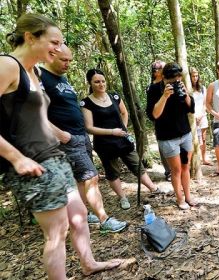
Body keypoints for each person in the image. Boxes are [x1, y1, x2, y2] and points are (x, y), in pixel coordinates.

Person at [0, 13, 123, 279]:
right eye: (53, 42)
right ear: (30, 37)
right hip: (31, 162)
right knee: (56, 231)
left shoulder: (34, 72)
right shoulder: (7, 65)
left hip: (54, 156)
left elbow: (36, 117)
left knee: (78, 215)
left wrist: (60, 134)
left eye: (61, 43)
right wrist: (16, 158)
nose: (58, 49)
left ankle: (88, 263)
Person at [41, 44, 127, 232]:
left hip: (80, 136)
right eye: (64, 60)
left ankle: (84, 213)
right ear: (50, 55)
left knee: (82, 180)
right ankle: (104, 220)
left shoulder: (61, 78)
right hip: (68, 139)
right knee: (91, 177)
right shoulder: (41, 77)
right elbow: (35, 113)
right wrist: (61, 135)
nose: (68, 64)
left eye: (70, 60)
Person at [81, 69, 159, 210]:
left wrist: (122, 128)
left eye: (103, 81)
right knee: (112, 171)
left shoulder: (114, 96)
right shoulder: (86, 103)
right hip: (104, 143)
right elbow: (89, 127)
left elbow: (124, 112)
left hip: (122, 139)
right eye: (97, 82)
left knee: (136, 164)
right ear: (90, 83)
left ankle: (153, 188)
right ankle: (123, 198)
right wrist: (112, 132)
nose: (101, 84)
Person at [146, 62, 198, 210]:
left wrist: (186, 93)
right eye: (171, 79)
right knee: (176, 170)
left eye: (177, 78)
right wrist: (164, 96)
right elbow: (154, 114)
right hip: (168, 138)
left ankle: (188, 196)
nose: (174, 82)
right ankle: (179, 198)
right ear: (163, 77)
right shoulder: (154, 89)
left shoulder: (180, 85)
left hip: (185, 134)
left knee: (185, 167)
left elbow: (191, 108)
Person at [147, 60, 171, 181]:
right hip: (161, 122)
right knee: (163, 147)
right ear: (156, 72)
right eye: (162, 68)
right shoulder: (152, 88)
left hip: (173, 120)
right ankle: (168, 171)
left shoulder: (168, 83)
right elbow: (151, 111)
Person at [190, 67, 212, 166]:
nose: (195, 78)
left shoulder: (202, 88)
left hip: (202, 116)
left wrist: (201, 115)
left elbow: (205, 103)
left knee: (203, 139)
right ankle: (194, 160)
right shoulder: (187, 89)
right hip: (191, 117)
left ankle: (204, 159)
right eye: (193, 76)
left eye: (196, 76)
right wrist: (193, 116)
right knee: (192, 139)